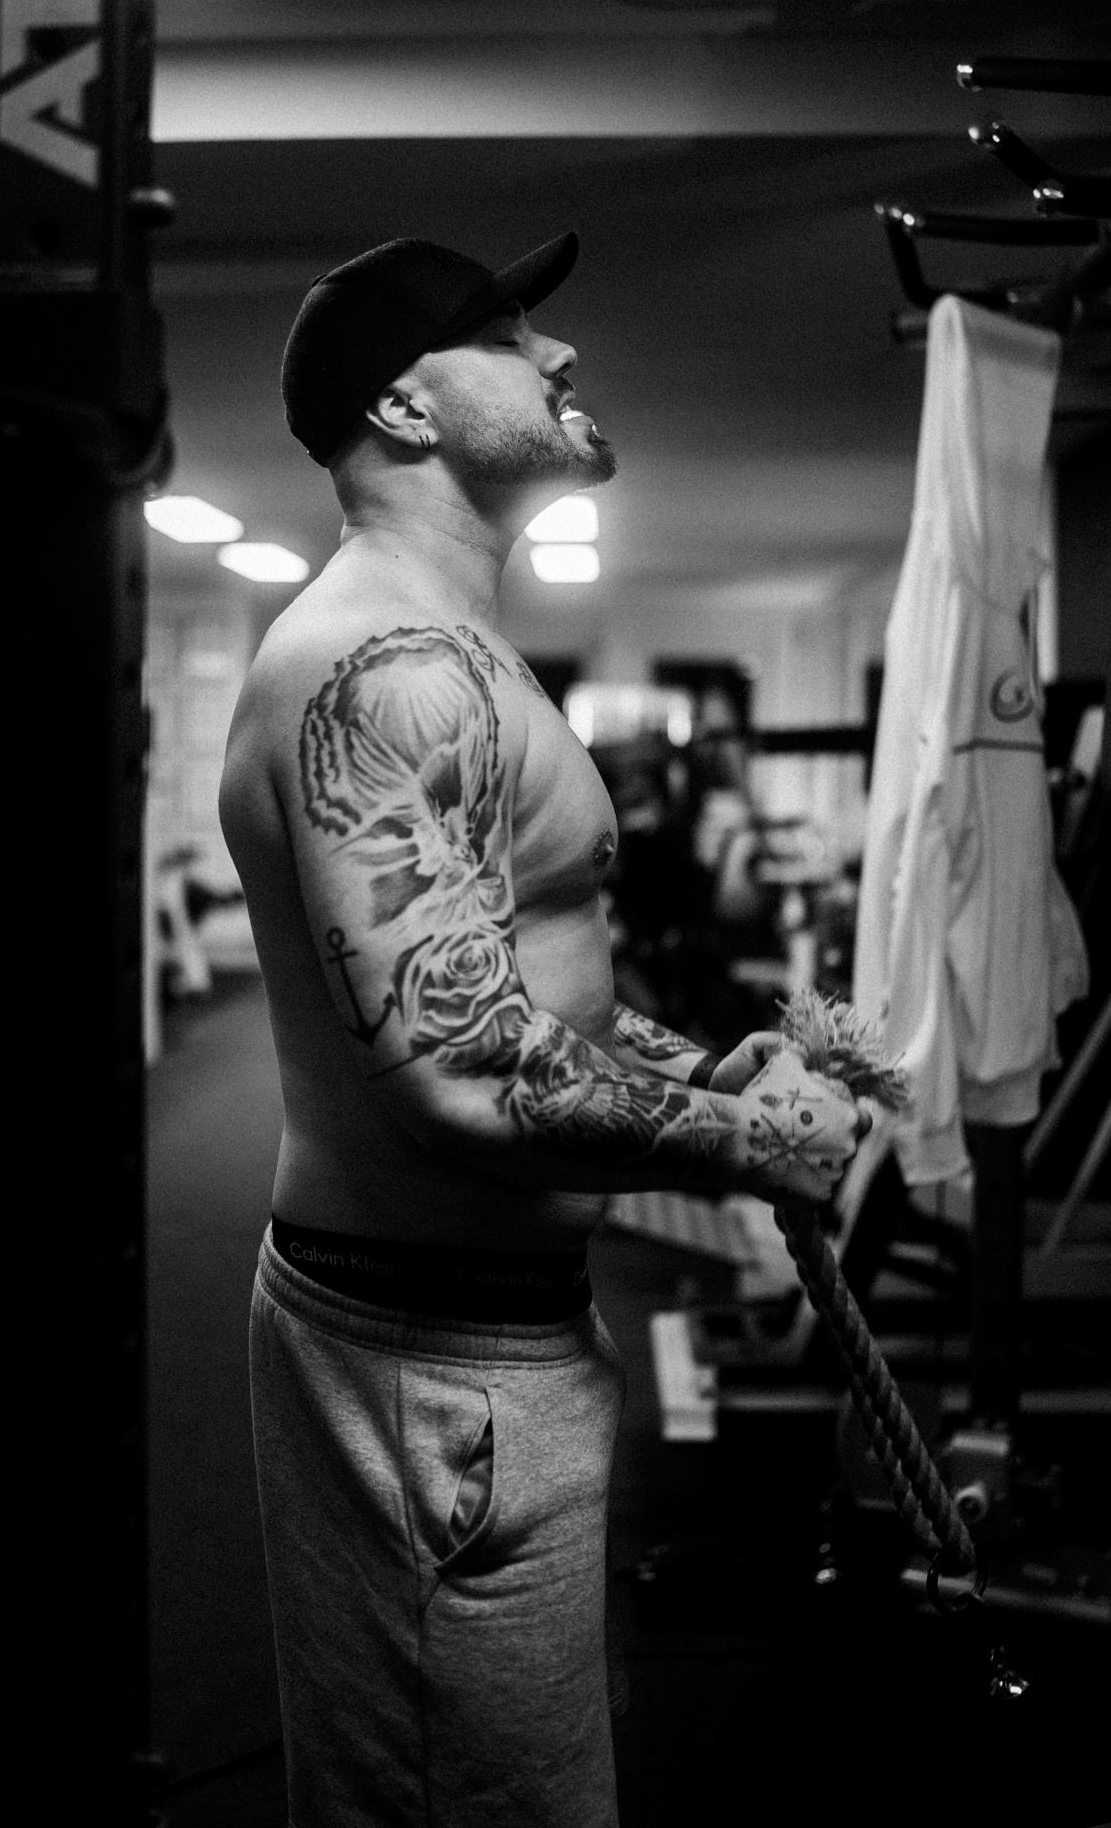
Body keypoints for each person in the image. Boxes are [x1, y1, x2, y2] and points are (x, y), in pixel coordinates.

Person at [219, 233, 865, 1827]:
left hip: (483, 1336)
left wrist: (689, 1069)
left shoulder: (453, 652)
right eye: (508, 335)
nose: (561, 354)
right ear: (405, 406)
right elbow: (460, 1066)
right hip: (429, 1366)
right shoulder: (382, 671)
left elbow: (512, 990)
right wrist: (744, 1143)